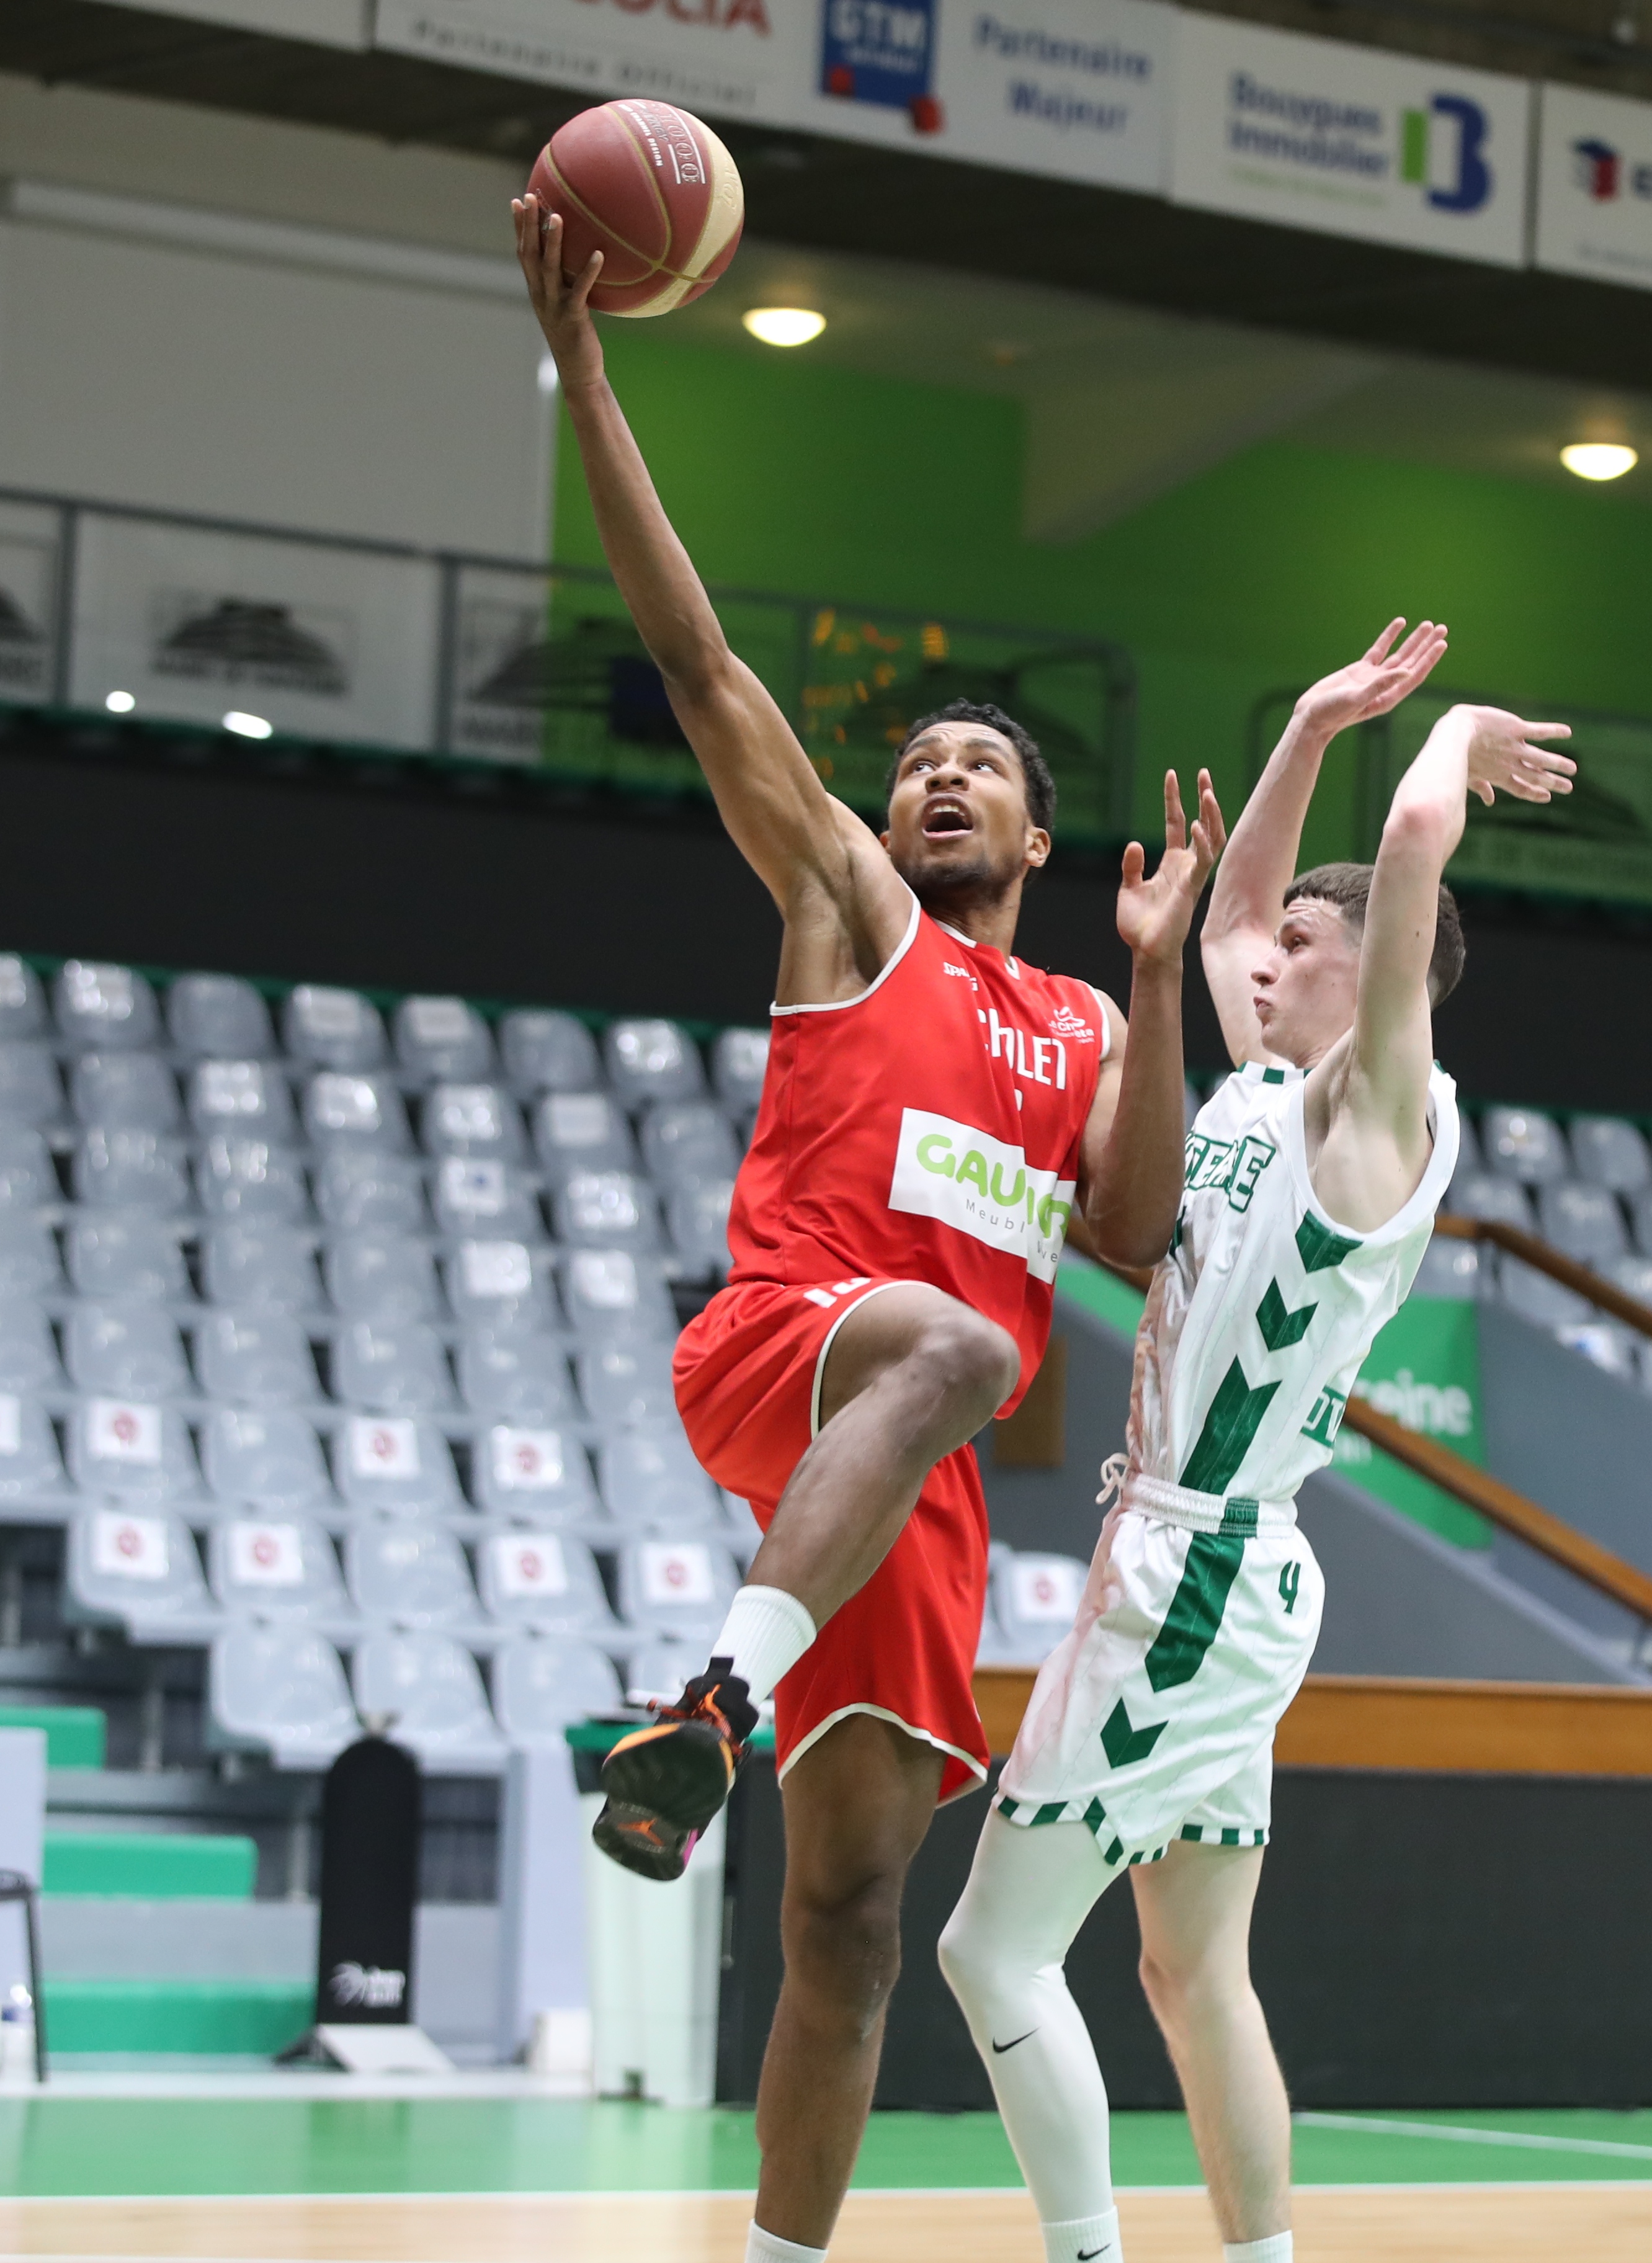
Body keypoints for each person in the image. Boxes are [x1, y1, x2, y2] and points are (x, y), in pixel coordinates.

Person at [513, 199, 1215, 2263]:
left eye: (979, 764)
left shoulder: (1086, 1011)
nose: (937, 775)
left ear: (1039, 836)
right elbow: (695, 660)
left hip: (910, 1493)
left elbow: (1140, 1219)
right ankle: (708, 1702)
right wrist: (587, 366)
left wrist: (1163, 982)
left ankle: (773, 2253)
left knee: (846, 1927)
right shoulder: (848, 907)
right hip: (791, 1345)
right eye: (916, 758)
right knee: (968, 1352)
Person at [937, 636, 1577, 2263]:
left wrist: (1447, 734)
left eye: (1302, 942)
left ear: (1370, 975)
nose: (1263, 953)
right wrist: (1304, 724)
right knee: (1188, 1972)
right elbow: (1219, 923)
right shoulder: (1261, 1091)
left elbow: (1415, 846)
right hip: (1214, 1566)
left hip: (1194, 1574)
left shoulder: (1376, 1117)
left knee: (992, 1957)